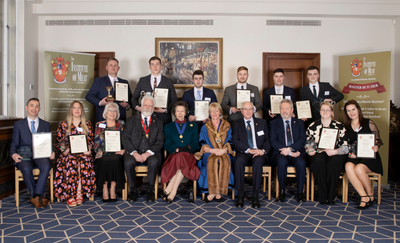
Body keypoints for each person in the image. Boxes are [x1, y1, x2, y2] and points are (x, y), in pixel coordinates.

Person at [10, 98, 55, 208]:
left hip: (40, 155)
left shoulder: (45, 124)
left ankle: (36, 195)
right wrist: (14, 154)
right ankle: (36, 196)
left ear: (39, 109)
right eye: (31, 105)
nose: (34, 108)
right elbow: (14, 143)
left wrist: (51, 152)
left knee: (46, 165)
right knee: (26, 168)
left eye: (36, 106)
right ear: (26, 108)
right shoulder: (18, 124)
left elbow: (48, 143)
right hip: (24, 155)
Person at [54, 101, 96, 207]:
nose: (77, 110)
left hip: (83, 153)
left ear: (82, 110)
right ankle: (70, 194)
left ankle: (78, 191)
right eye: (74, 107)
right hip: (68, 154)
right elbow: (59, 142)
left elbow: (90, 141)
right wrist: (65, 150)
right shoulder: (64, 124)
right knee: (71, 160)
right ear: (71, 110)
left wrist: (89, 150)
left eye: (79, 107)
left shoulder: (87, 124)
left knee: (83, 160)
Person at [122, 95, 163, 202]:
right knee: (128, 163)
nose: (148, 107)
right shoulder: (131, 120)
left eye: (150, 106)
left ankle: (150, 190)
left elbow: (160, 141)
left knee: (154, 162)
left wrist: (147, 153)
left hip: (151, 153)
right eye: (146, 105)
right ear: (141, 106)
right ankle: (133, 191)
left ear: (153, 108)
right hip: (134, 151)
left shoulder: (158, 122)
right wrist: (134, 153)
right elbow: (125, 138)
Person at [306, 102, 348, 205]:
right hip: (318, 152)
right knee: (318, 161)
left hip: (335, 153)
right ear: (320, 112)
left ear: (332, 112)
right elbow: (308, 144)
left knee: (334, 162)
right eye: (323, 109)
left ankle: (331, 195)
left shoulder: (339, 126)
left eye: (327, 109)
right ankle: (322, 195)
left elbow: (346, 147)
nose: (325, 112)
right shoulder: (313, 126)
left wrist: (335, 151)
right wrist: (310, 150)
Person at [344, 99, 383, 209]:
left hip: (368, 156)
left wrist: (376, 146)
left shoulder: (368, 122)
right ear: (346, 113)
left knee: (359, 169)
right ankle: (364, 196)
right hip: (354, 156)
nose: (351, 112)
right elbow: (345, 144)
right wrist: (349, 152)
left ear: (358, 110)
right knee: (348, 166)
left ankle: (370, 195)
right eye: (348, 111)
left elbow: (377, 140)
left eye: (353, 109)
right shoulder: (345, 126)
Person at [232, 101, 270, 208]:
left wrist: (262, 151)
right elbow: (235, 141)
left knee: (258, 162)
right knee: (238, 161)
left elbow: (268, 140)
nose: (248, 111)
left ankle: (255, 196)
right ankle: (240, 195)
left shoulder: (262, 122)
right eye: (246, 109)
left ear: (253, 110)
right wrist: (249, 150)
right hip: (244, 151)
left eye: (250, 109)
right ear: (242, 111)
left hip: (258, 152)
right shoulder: (236, 123)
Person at [195, 103, 235, 203]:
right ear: (209, 113)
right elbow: (202, 141)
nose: (214, 113)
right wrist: (212, 150)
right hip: (209, 151)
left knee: (223, 160)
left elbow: (230, 141)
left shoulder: (227, 126)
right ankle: (216, 192)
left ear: (220, 112)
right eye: (212, 111)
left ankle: (214, 193)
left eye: (216, 111)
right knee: (212, 161)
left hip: (223, 150)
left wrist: (223, 150)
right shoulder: (205, 126)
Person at [161, 101, 200, 203]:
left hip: (189, 156)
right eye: (178, 111)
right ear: (174, 112)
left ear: (186, 112)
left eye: (182, 111)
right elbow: (167, 145)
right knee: (181, 157)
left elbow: (196, 144)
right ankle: (172, 191)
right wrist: (178, 150)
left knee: (182, 157)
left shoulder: (193, 126)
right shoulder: (168, 126)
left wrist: (186, 149)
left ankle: (171, 190)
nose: (180, 113)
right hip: (174, 156)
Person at [269, 99, 306, 202]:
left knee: (301, 162)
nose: (284, 111)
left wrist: (291, 149)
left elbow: (302, 140)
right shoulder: (274, 123)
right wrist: (288, 152)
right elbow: (273, 141)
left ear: (292, 110)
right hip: (279, 153)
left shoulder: (299, 123)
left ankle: (300, 192)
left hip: (296, 151)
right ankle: (281, 191)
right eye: (282, 108)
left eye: (287, 108)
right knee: (282, 161)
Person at [131, 56, 178, 125]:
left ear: (161, 66)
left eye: (157, 64)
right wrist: (138, 108)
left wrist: (165, 110)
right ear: (150, 67)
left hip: (163, 118)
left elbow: (174, 99)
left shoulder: (168, 81)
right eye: (152, 64)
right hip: (145, 117)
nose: (155, 66)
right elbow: (134, 98)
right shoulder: (142, 80)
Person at [94, 103, 126, 203]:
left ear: (117, 113)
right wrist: (99, 151)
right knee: (102, 159)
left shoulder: (121, 124)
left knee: (115, 159)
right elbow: (96, 142)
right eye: (110, 110)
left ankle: (112, 188)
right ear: (105, 113)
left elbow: (126, 140)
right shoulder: (99, 125)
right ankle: (104, 189)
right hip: (103, 152)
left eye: (114, 111)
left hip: (117, 152)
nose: (112, 113)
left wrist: (124, 150)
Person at [86, 58, 132, 123]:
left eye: (115, 65)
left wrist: (127, 105)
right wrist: (100, 102)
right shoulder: (99, 81)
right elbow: (89, 96)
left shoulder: (124, 82)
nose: (113, 67)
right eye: (111, 65)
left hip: (120, 118)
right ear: (106, 68)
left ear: (118, 68)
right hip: (103, 117)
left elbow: (130, 99)